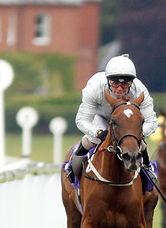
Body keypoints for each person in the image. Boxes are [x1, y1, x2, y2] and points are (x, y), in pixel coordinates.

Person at [67, 54, 158, 183]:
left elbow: (152, 121)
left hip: (126, 124)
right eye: (115, 84)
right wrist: (97, 132)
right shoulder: (95, 87)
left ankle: (148, 170)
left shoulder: (140, 90)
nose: (120, 89)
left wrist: (134, 133)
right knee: (91, 140)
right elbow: (82, 120)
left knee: (140, 145)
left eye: (125, 84)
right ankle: (73, 168)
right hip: (101, 118)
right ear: (108, 80)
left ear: (131, 82)